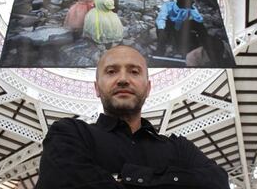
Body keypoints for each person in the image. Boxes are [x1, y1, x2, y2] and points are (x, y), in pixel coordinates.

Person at [36, 45, 230, 189]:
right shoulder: (69, 133)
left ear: (148, 88)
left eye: (134, 72)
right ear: (96, 88)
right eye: (111, 71)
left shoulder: (179, 147)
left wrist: (131, 177)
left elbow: (218, 182)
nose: (122, 79)